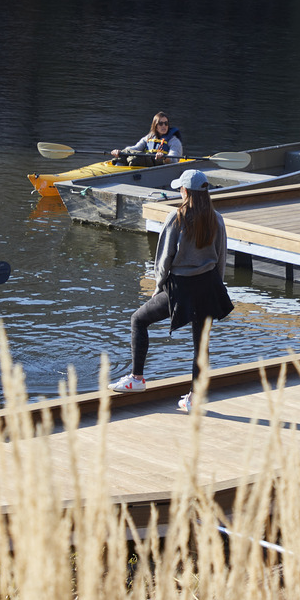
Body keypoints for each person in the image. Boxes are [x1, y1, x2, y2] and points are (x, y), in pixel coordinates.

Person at [108, 168, 234, 413]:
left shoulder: (176, 217)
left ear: (185, 191)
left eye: (180, 188)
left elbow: (164, 259)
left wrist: (158, 286)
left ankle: (137, 378)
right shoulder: (216, 218)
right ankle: (195, 397)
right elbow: (221, 258)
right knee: (201, 344)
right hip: (208, 285)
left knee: (138, 320)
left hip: (181, 287)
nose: (178, 191)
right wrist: (215, 288)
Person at [110, 111, 183, 167]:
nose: (164, 126)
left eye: (166, 123)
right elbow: (136, 148)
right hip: (147, 161)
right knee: (126, 152)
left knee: (134, 159)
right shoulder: (149, 137)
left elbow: (174, 160)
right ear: (155, 126)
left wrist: (164, 158)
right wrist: (120, 152)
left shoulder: (174, 141)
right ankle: (117, 166)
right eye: (161, 124)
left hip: (159, 165)